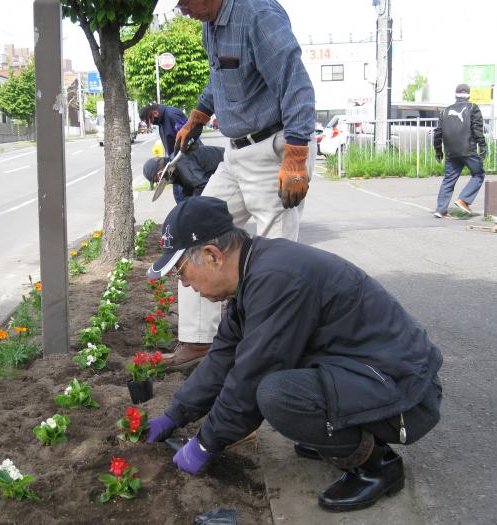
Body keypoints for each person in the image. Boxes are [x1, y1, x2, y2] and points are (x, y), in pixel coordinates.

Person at [145, 196, 443, 512]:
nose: (186, 284)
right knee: (279, 383)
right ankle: (337, 434)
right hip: (374, 372)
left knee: (277, 396)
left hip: (407, 393)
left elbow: (249, 379)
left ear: (212, 255)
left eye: (182, 272)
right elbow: (224, 356)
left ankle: (377, 466)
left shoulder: (276, 280)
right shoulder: (255, 271)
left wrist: (205, 443)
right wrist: (174, 415)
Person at [162, 0, 317, 368]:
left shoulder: (258, 15)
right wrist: (198, 115)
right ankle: (200, 342)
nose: (182, 9)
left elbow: (296, 83)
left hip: (275, 150)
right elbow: (222, 79)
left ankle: (266, 361)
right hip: (235, 153)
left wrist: (295, 155)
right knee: (193, 228)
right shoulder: (210, 23)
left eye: (184, 1)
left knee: (273, 261)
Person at [433, 83, 487, 218]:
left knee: (449, 180)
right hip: (468, 150)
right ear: (469, 96)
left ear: (455, 96)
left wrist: (438, 151)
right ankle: (463, 200)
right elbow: (477, 129)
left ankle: (441, 210)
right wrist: (483, 146)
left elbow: (438, 133)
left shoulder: (445, 111)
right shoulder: (473, 108)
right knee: (479, 173)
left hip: (451, 152)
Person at [140, 103, 195, 202]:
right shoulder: (161, 123)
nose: (152, 124)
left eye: (151, 120)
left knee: (187, 198)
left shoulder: (172, 114)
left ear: (155, 113)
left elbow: (189, 139)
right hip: (177, 165)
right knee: (179, 197)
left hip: (189, 163)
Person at [142, 145, 224, 197]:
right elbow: (188, 188)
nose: (160, 183)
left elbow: (202, 185)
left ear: (160, 170)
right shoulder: (174, 168)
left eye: (158, 179)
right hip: (218, 174)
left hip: (227, 165)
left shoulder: (181, 161)